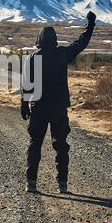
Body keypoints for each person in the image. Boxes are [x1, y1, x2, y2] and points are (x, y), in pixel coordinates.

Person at [21, 11, 97, 194]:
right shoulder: (62, 54)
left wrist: (24, 104)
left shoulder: (32, 58)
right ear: (55, 40)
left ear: (38, 40)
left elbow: (26, 84)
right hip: (58, 110)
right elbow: (81, 43)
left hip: (38, 108)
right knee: (61, 147)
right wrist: (90, 24)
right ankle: (62, 185)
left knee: (35, 144)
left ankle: (31, 183)